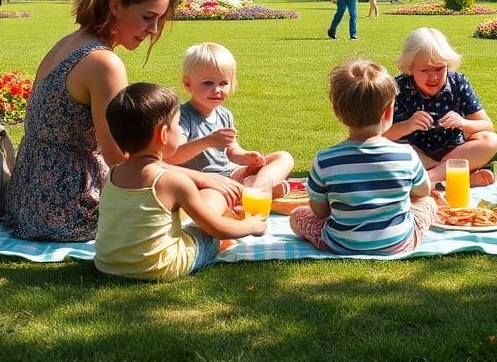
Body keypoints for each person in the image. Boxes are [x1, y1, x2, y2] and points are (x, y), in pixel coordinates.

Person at [4, 0, 178, 241]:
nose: (154, 31)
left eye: (159, 20)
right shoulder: (103, 63)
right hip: (71, 206)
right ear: (116, 6)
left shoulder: (70, 42)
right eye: (148, 17)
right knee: (195, 199)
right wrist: (190, 179)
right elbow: (119, 158)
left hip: (28, 201)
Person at [94, 82, 267, 281]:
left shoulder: (112, 173)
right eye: (177, 125)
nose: (179, 129)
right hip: (159, 268)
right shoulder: (172, 181)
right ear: (163, 134)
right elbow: (217, 229)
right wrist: (252, 225)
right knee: (207, 230)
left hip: (108, 264)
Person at [289, 59, 438, 254]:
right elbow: (422, 192)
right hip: (399, 243)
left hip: (340, 243)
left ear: (337, 112)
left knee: (297, 215)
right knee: (429, 204)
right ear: (388, 112)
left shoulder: (325, 160)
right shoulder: (406, 155)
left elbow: (320, 212)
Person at [170, 42, 293, 195]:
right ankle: (254, 192)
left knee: (283, 157)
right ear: (188, 84)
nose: (217, 90)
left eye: (223, 83)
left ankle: (256, 190)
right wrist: (207, 141)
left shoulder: (224, 114)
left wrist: (246, 156)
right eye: (208, 83)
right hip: (203, 181)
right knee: (213, 198)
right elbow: (174, 155)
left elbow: (232, 150)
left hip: (230, 174)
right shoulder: (183, 116)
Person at [386, 27, 497, 186]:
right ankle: (459, 177)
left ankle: (430, 178)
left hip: (454, 152)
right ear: (410, 68)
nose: (433, 77)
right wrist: (408, 126)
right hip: (416, 155)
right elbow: (378, 136)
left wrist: (463, 123)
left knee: (490, 140)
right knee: (391, 148)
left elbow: (487, 127)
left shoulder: (457, 82)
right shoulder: (395, 88)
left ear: (448, 64)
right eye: (424, 70)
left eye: (440, 68)